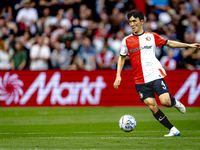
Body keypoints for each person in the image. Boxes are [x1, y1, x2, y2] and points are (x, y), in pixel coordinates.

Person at [113, 10, 200, 137]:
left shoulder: (151, 37)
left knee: (165, 102)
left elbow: (169, 43)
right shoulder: (127, 40)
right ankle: (172, 129)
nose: (132, 24)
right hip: (139, 80)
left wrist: (189, 45)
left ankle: (174, 102)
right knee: (152, 106)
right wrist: (118, 75)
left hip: (154, 75)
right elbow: (121, 58)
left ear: (141, 21)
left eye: (134, 21)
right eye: (130, 21)